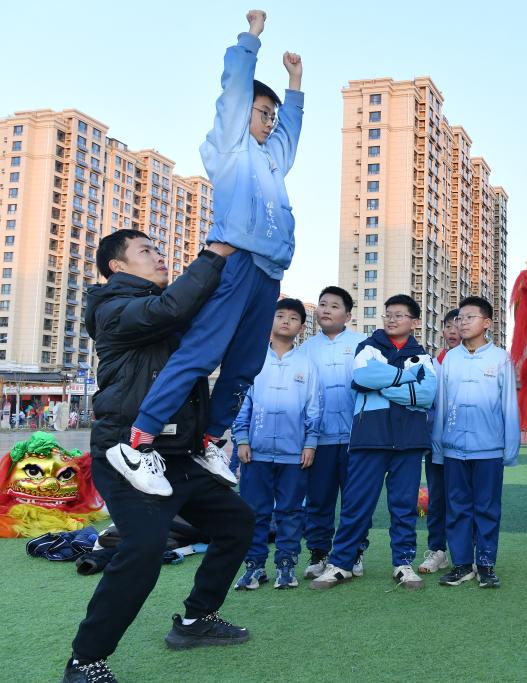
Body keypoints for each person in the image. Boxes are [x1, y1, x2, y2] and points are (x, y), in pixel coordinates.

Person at [106, 9, 304, 498]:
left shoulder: (272, 160)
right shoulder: (229, 146)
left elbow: (291, 133)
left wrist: (295, 84)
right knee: (203, 352)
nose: (270, 122)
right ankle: (137, 442)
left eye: (272, 116)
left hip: (268, 272)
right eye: (263, 113)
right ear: (244, 114)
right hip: (235, 264)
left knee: (246, 363)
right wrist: (251, 38)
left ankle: (211, 440)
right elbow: (233, 90)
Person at [63, 229, 253, 683]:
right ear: (117, 266)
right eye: (146, 251)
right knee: (144, 548)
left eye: (158, 249)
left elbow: (205, 323)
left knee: (237, 523)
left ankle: (197, 619)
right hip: (129, 454)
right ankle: (85, 661)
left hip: (179, 455)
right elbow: (172, 308)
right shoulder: (112, 309)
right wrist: (214, 255)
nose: (159, 256)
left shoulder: (162, 308)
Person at [310, 294, 437, 591]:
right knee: (356, 504)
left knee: (404, 506)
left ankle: (403, 563)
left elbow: (427, 395)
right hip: (369, 437)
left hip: (409, 440)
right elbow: (364, 376)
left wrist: (385, 387)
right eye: (388, 314)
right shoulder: (367, 347)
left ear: (414, 322)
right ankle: (341, 563)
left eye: (399, 315)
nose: (392, 319)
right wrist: (407, 377)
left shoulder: (424, 357)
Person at [233, 298, 321, 591]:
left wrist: (310, 444)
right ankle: (254, 566)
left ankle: (286, 565)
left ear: (301, 327)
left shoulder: (306, 364)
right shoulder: (254, 360)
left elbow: (313, 408)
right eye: (280, 315)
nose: (286, 321)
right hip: (255, 453)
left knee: (291, 511)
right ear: (270, 321)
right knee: (254, 511)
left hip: (294, 454)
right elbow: (242, 403)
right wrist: (242, 439)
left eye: (293, 318)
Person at [431, 297, 519, 588]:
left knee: (487, 508)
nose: (463, 322)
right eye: (460, 318)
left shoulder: (501, 359)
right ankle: (461, 564)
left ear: (487, 323)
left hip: (489, 449)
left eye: (470, 317)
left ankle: (486, 564)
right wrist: (438, 448)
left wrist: (509, 448)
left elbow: (509, 406)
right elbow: (441, 405)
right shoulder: (450, 359)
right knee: (457, 508)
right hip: (454, 448)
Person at [299, 286, 368, 580]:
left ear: (348, 315)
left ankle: (354, 552)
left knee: (355, 499)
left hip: (357, 438)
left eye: (334, 306)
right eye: (323, 304)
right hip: (320, 440)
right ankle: (319, 552)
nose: (326, 310)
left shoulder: (362, 344)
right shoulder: (306, 349)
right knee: (318, 499)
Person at [417, 307, 461, 575]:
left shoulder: (474, 363)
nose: (452, 331)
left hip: (466, 446)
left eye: (458, 325)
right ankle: (438, 550)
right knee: (436, 499)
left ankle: (466, 551)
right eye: (448, 326)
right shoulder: (432, 364)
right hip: (436, 445)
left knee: (463, 499)